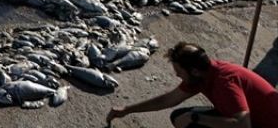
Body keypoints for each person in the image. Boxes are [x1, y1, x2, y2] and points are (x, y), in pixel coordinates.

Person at [106, 42, 278, 127]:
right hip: (247, 118)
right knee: (180, 117)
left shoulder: (224, 82)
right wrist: (127, 109)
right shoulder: (203, 73)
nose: (176, 75)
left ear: (194, 71)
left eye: (179, 72)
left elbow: (242, 125)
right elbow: (168, 100)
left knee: (192, 121)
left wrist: (198, 118)